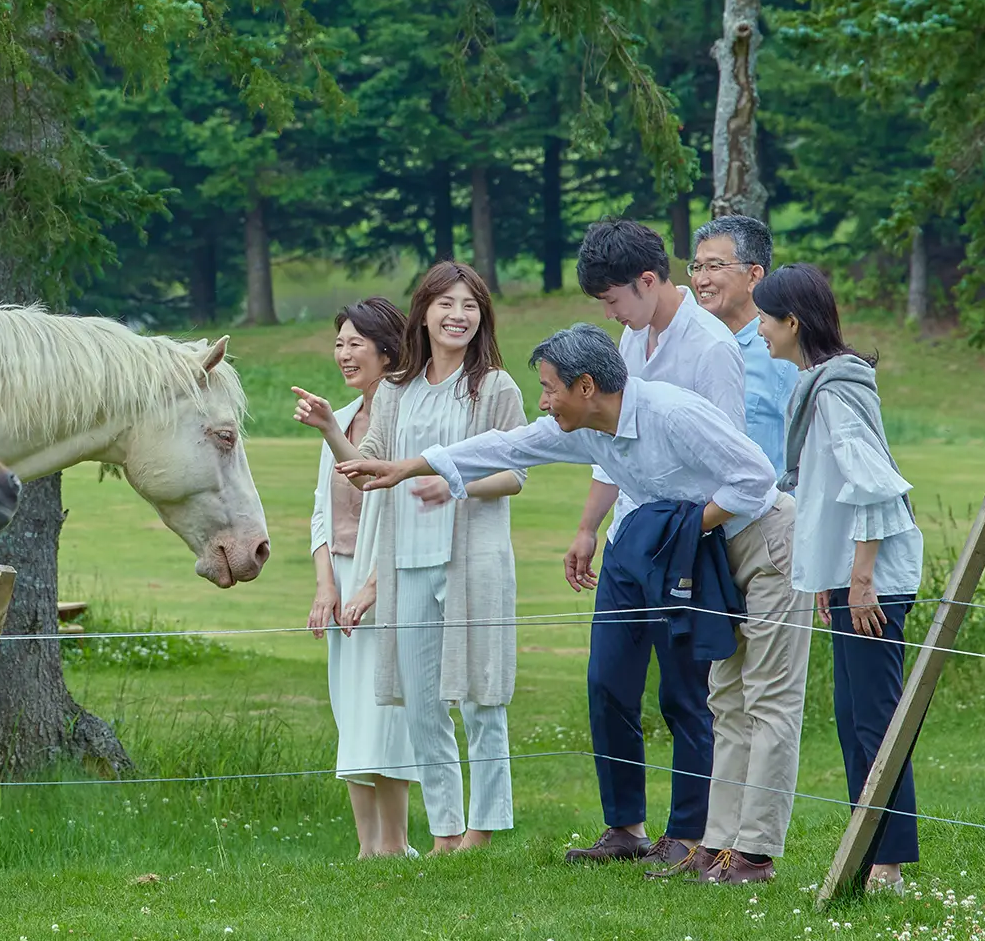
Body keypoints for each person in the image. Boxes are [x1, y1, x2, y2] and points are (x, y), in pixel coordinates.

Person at [344, 323, 798, 886]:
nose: (543, 401)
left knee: (768, 700)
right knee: (725, 699)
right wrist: (408, 467)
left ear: (586, 387)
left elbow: (755, 478)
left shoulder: (670, 412)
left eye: (549, 388)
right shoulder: (588, 429)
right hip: (706, 550)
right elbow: (506, 446)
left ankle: (755, 854)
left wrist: (683, 528)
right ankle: (718, 847)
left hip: (764, 542)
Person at [299, 262, 525, 855]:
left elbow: (513, 476)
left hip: (474, 561)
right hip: (408, 564)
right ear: (424, 311)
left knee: (480, 697)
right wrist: (329, 426)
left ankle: (483, 830)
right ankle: (446, 832)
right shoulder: (399, 390)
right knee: (423, 705)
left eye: (470, 305)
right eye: (447, 303)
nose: (459, 316)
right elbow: (366, 466)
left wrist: (456, 482)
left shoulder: (496, 388)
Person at [562, 218, 746, 868]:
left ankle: (689, 831)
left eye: (613, 299)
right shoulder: (631, 339)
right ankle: (625, 827)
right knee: (607, 680)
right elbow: (613, 444)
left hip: (684, 537)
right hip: (626, 538)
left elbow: (733, 457)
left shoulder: (711, 348)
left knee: (683, 691)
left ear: (647, 281)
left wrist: (693, 534)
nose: (610, 312)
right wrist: (588, 525)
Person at [756, 263, 926, 892]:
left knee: (876, 721)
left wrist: (859, 582)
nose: (761, 332)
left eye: (766, 320)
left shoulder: (833, 393)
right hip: (849, 578)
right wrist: (834, 583)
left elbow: (873, 490)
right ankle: (866, 854)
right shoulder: (820, 386)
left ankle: (888, 864)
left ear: (793, 322)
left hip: (873, 580)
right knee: (853, 716)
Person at [292, 298, 418, 859]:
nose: (344, 354)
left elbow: (398, 505)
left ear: (387, 350)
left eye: (355, 343)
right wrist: (326, 585)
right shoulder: (340, 418)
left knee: (385, 712)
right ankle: (367, 847)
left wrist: (372, 584)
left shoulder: (405, 416)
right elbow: (322, 510)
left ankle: (396, 843)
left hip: (387, 575)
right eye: (339, 343)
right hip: (342, 578)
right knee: (350, 712)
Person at [691, 213, 799, 476]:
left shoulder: (784, 353)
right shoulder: (690, 346)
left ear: (754, 276)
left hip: (770, 512)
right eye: (696, 267)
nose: (701, 280)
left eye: (715, 267)